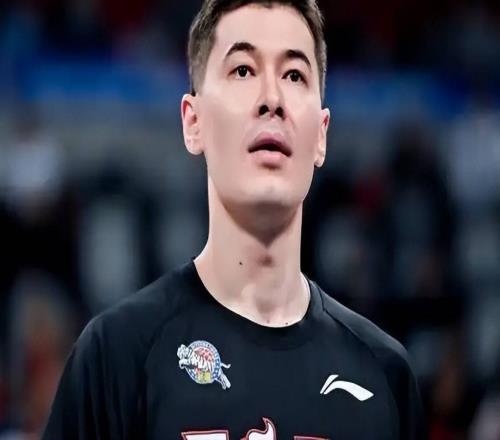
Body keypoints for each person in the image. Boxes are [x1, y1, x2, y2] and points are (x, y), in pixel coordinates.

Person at [42, 1, 425, 438]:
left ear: (321, 135)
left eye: (294, 75)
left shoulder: (385, 375)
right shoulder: (117, 357)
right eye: (243, 70)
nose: (272, 99)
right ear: (194, 123)